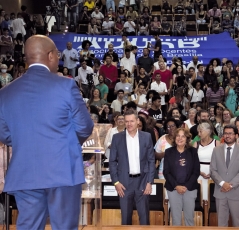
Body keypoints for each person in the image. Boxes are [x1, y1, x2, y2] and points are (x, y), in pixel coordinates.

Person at [0, 35, 93, 229]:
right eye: (58, 55)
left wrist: (25, 140)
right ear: (50, 55)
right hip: (62, 171)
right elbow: (85, 126)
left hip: (24, 172)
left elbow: (4, 134)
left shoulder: (5, 92)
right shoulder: (66, 85)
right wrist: (63, 142)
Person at [109, 109, 155, 225]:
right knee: (125, 219)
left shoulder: (146, 137)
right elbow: (112, 161)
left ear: (138, 121)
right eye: (127, 121)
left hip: (143, 182)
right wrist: (116, 182)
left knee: (144, 219)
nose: (129, 124)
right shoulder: (117, 138)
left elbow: (151, 161)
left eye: (132, 121)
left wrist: (150, 182)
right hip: (124, 184)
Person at [210, 125, 239, 227]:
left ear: (236, 135)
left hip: (236, 193)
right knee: (221, 223)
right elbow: (213, 170)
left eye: (230, 133)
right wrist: (223, 183)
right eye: (226, 133)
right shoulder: (216, 150)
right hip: (220, 192)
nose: (227, 136)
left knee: (238, 223)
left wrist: (230, 185)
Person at [163, 128, 200, 226]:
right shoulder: (168, 152)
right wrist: (176, 186)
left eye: (183, 136)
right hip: (173, 189)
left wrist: (186, 186)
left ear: (187, 138)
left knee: (189, 219)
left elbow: (196, 172)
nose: (180, 138)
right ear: (174, 138)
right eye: (178, 136)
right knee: (175, 219)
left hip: (190, 189)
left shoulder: (193, 152)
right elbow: (166, 172)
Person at [193, 121, 220, 200]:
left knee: (211, 196)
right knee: (200, 196)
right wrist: (199, 172)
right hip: (199, 173)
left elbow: (220, 161)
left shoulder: (216, 143)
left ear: (208, 131)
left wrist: (212, 173)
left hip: (213, 173)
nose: (199, 134)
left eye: (201, 131)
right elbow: (193, 161)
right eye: (198, 132)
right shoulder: (196, 144)